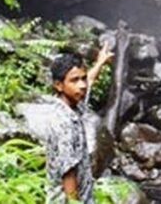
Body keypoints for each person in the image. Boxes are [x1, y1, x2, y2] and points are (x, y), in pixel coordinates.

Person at [45, 42, 114, 203]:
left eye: (82, 78)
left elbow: (88, 82)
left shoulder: (72, 105)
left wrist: (100, 62)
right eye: (75, 80)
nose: (82, 85)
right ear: (58, 85)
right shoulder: (64, 122)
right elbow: (68, 173)